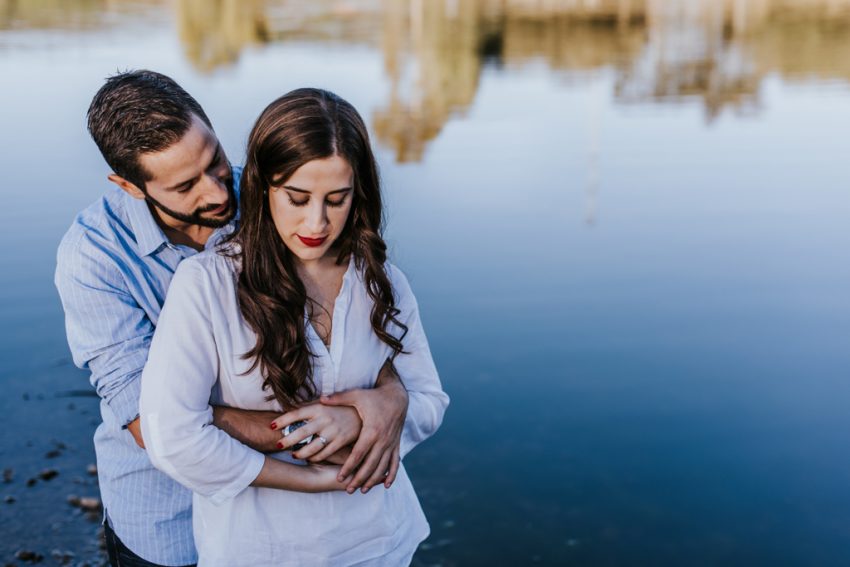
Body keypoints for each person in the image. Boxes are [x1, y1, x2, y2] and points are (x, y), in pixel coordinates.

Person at [55, 71, 409, 567]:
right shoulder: (92, 258)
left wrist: (392, 395)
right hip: (167, 520)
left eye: (215, 161)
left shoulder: (270, 195)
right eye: (185, 186)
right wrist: (335, 427)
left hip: (276, 527)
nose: (220, 194)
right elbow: (149, 422)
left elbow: (355, 314)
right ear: (128, 186)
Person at [138, 88, 449, 566]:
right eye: (297, 198)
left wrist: (373, 411)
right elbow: (171, 436)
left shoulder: (381, 280)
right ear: (263, 186)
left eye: (337, 199)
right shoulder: (208, 285)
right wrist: (308, 478)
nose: (316, 222)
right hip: (259, 551)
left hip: (380, 543)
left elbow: (430, 399)